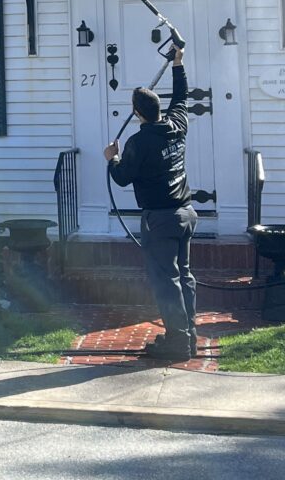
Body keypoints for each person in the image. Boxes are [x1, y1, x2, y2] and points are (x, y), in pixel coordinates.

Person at [103, 43, 197, 360]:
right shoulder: (177, 125)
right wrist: (178, 64)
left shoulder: (138, 142)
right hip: (186, 213)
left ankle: (178, 343)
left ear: (138, 113)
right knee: (184, 276)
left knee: (166, 281)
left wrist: (111, 159)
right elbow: (182, 97)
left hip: (160, 219)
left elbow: (122, 178)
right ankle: (188, 337)